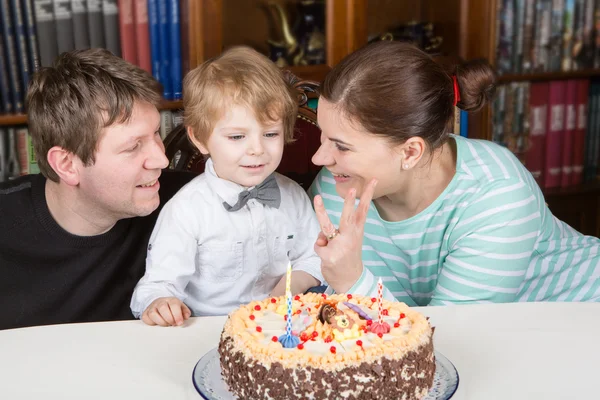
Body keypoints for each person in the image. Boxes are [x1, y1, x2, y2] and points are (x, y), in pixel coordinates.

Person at [309, 41, 600, 306]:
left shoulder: (498, 195)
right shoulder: (337, 183)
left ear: (410, 152)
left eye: (342, 147)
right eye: (323, 136)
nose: (319, 158)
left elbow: (450, 344)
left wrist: (352, 282)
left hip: (580, 322)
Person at [0, 49, 195, 331]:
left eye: (156, 134)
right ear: (67, 164)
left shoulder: (190, 201)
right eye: (133, 146)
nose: (161, 160)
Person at [130, 47, 324, 326]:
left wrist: (285, 292)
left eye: (270, 134)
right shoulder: (187, 209)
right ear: (200, 139)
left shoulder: (293, 195)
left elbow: (314, 258)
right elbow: (158, 285)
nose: (257, 149)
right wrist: (160, 302)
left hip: (280, 326)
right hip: (209, 331)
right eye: (236, 137)